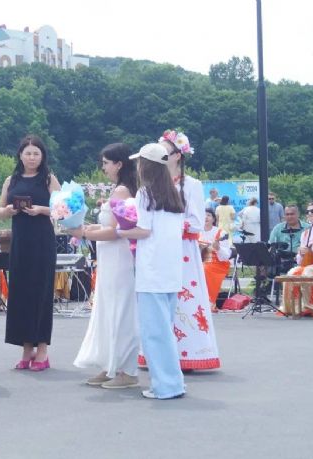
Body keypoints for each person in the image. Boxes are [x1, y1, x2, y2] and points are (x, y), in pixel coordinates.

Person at [68, 143, 139, 389]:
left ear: (119, 164)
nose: (103, 167)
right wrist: (89, 228)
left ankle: (126, 369)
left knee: (119, 310)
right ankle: (112, 365)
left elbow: (118, 231)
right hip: (111, 257)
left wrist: (85, 233)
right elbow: (111, 227)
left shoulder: (122, 191)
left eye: (106, 163)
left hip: (119, 257)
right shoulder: (124, 189)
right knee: (110, 309)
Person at [118, 143, 185, 400]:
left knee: (154, 333)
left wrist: (120, 231)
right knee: (165, 330)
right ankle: (172, 382)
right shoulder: (174, 193)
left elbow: (144, 231)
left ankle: (165, 385)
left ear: (145, 165)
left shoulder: (145, 193)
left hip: (152, 270)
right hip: (170, 270)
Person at [157, 129, 220, 371]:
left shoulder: (191, 184)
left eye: (165, 151)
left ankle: (188, 353)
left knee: (184, 299)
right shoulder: (154, 183)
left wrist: (169, 224)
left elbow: (196, 222)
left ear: (177, 156)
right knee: (158, 299)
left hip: (181, 249)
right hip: (158, 248)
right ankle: (158, 353)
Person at [0, 135, 61, 371]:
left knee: (41, 293)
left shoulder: (48, 178)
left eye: (36, 153)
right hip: (20, 241)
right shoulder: (11, 180)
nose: (32, 157)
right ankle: (26, 348)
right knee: (21, 293)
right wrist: (10, 210)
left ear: (42, 156)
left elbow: (63, 209)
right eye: (28, 153)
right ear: (20, 155)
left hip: (42, 241)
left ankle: (42, 349)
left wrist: (41, 209)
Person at [282, 201, 313, 315]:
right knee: (292, 273)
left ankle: (312, 306)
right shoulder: (306, 233)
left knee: (307, 272)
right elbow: (300, 260)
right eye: (307, 211)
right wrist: (301, 253)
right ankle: (294, 307)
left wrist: (312, 248)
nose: (309, 214)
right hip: (309, 263)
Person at [200, 208, 232, 312]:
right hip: (199, 261)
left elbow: (226, 255)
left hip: (217, 263)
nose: (205, 217)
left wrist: (218, 248)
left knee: (205, 269)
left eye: (208, 215)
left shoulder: (220, 233)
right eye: (203, 215)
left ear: (213, 219)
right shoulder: (197, 231)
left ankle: (209, 302)